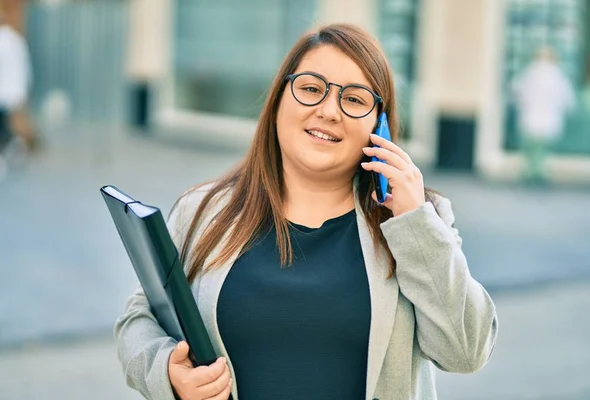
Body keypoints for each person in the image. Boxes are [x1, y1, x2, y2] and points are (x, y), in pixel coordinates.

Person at [115, 24, 498, 400]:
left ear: (379, 126)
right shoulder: (203, 210)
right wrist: (166, 371)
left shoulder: (418, 219)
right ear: (279, 101)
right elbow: (139, 317)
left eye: (354, 99)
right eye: (312, 89)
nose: (329, 111)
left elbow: (465, 351)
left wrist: (413, 221)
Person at [511, 46, 576, 183]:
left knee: (532, 148)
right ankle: (537, 173)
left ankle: (532, 173)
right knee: (540, 150)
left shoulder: (530, 73)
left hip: (532, 119)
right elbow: (566, 98)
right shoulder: (556, 75)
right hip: (546, 120)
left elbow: (517, 92)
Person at [0, 15, 34, 178]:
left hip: (5, 91)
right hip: (16, 89)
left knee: (7, 124)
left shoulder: (3, 40)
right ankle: (17, 147)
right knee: (11, 123)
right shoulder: (16, 39)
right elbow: (26, 66)